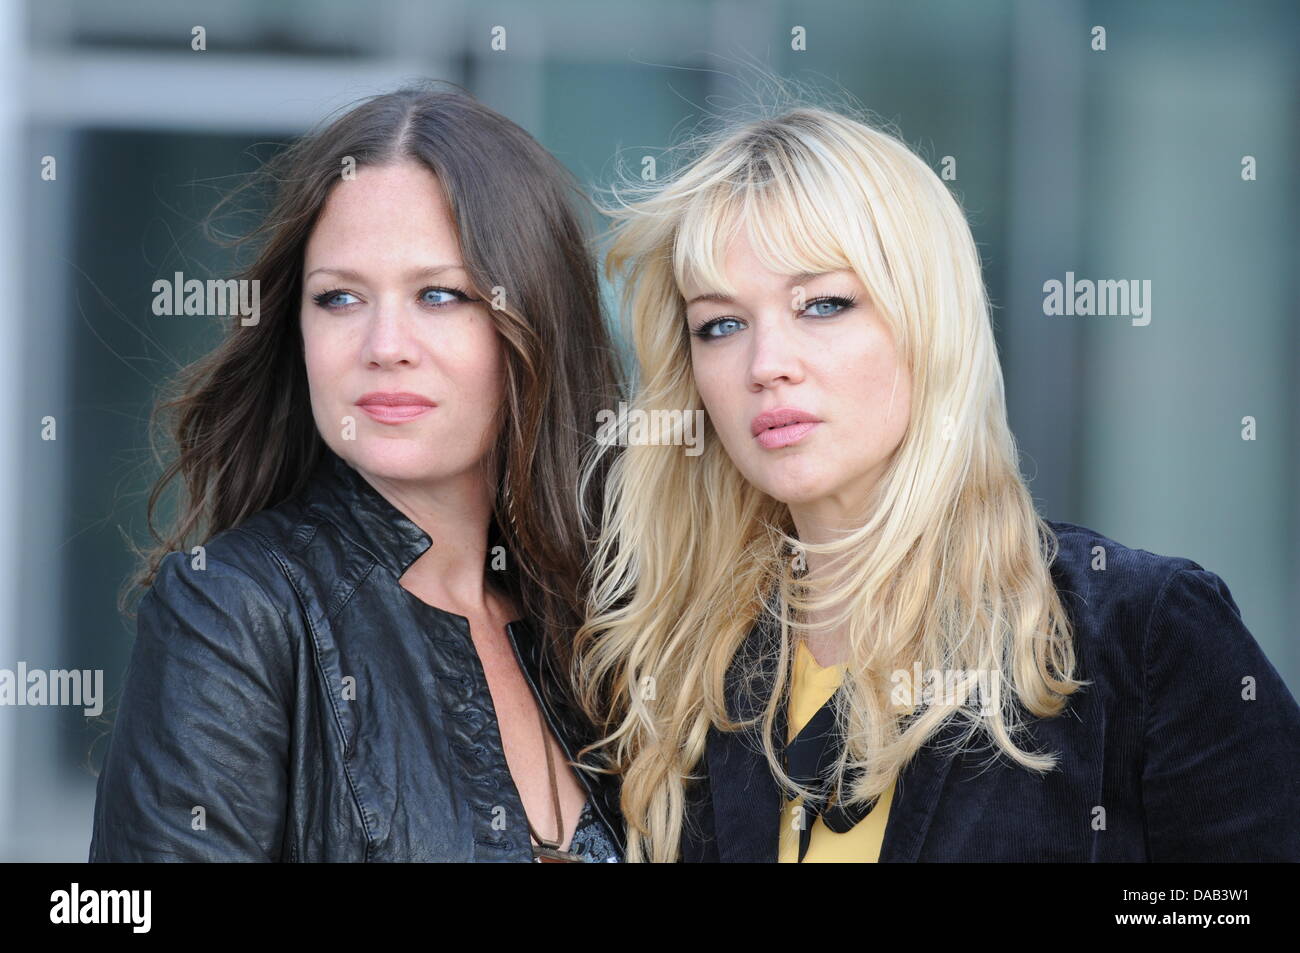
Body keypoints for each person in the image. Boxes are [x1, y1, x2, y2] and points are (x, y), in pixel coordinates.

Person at [573, 103, 1300, 862]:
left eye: (823, 304)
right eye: (720, 324)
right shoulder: (680, 667)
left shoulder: (1142, 634)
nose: (766, 364)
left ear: (930, 322)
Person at [89, 83, 625, 863]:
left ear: (535, 323)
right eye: (339, 298)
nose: (385, 343)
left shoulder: (607, 626)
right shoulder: (232, 613)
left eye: (439, 295)